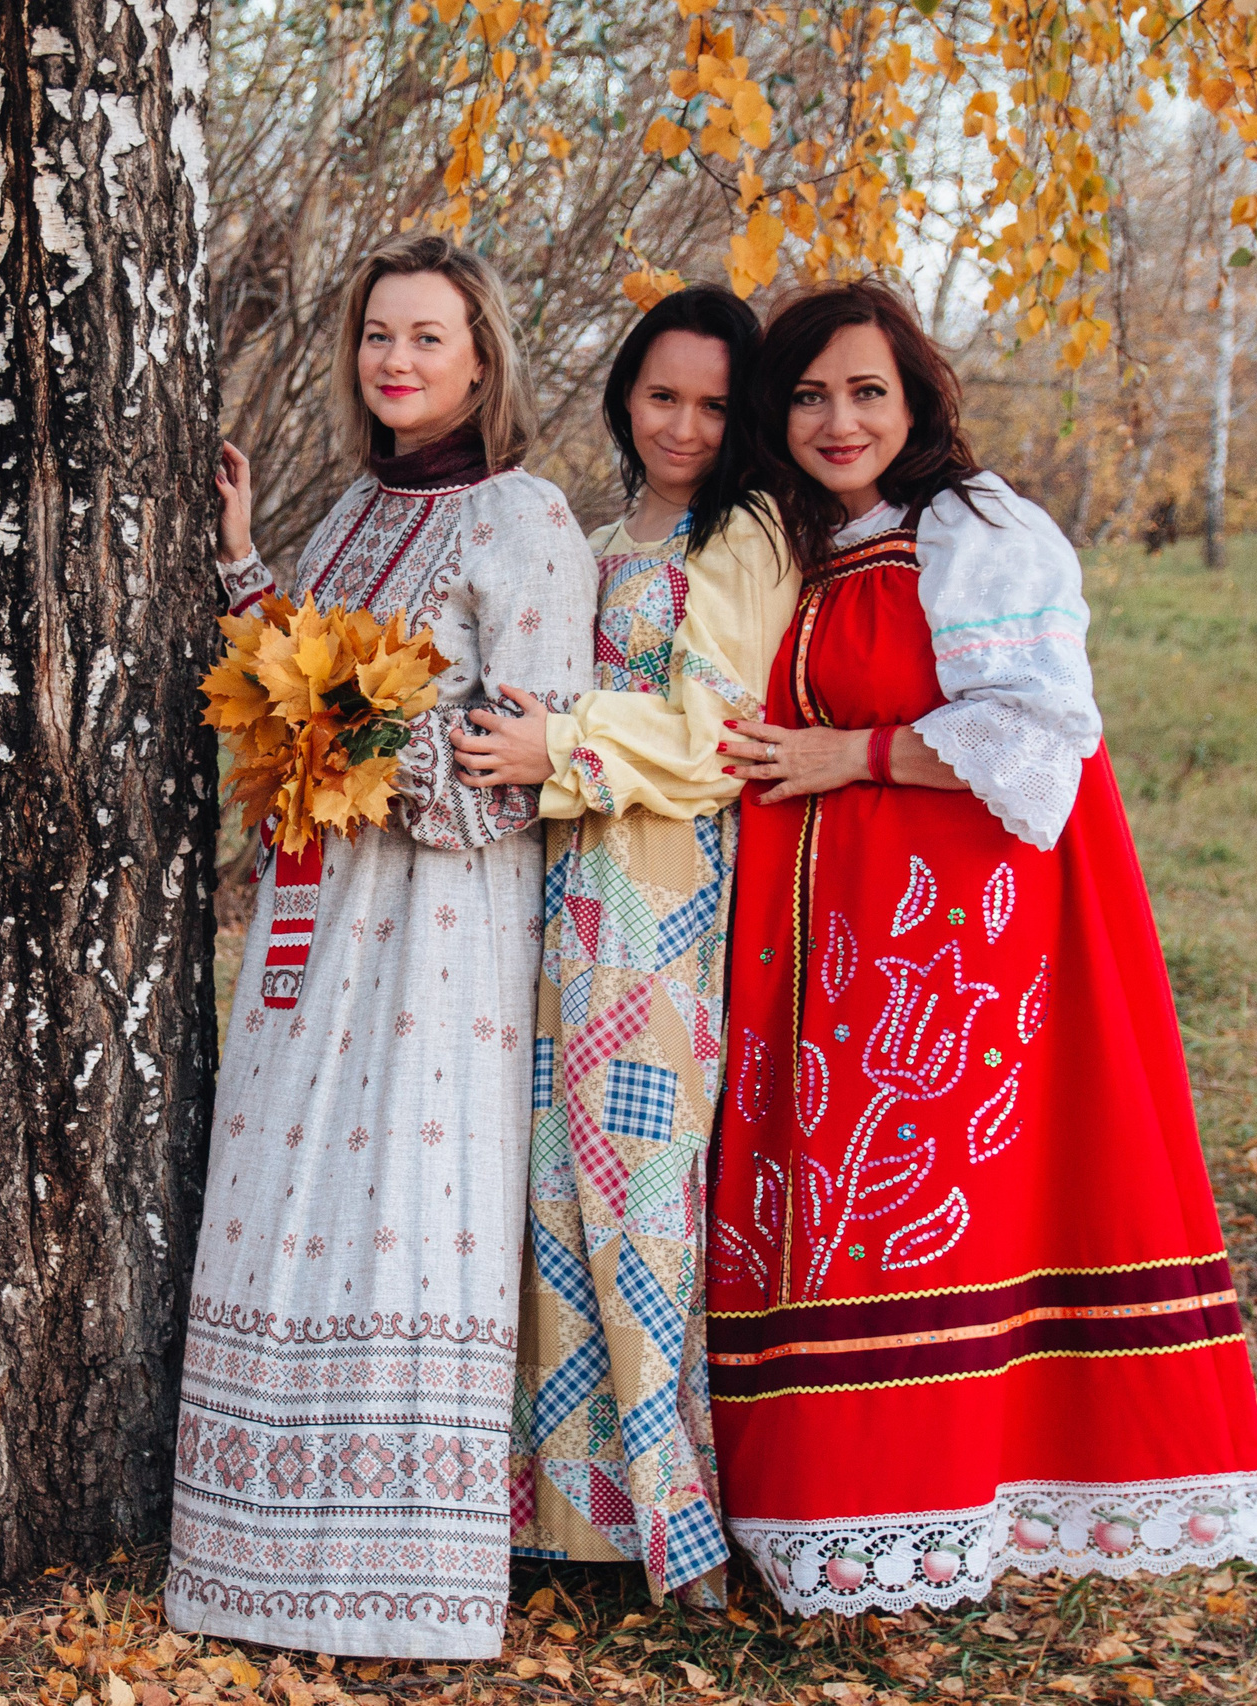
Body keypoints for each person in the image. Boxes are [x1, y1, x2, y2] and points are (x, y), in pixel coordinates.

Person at [706, 279, 1257, 1614]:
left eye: (865, 392)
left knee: (929, 1211)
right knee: (822, 1199)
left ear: (917, 401)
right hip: (828, 936)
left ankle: (943, 1498)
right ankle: (809, 1512)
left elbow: (1038, 741)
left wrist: (858, 752)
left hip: (958, 932)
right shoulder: (809, 541)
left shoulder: (976, 526)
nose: (838, 420)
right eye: (806, 394)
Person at [165, 235, 596, 1660]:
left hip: (442, 933)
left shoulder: (524, 517)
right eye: (376, 337)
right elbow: (303, 669)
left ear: (483, 356)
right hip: (319, 905)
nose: (396, 360)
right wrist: (243, 571)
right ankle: (252, 1543)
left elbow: (522, 756)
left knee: (407, 1190)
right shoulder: (355, 510)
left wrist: (356, 736)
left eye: (427, 336)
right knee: (288, 1172)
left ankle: (396, 1570)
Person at [448, 283, 795, 1604]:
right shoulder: (602, 532)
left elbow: (714, 734)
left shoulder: (746, 531)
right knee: (556, 1186)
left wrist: (562, 742)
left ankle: (681, 1535)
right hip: (568, 886)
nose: (687, 426)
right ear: (626, 398)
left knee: (641, 1192)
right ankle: (579, 1521)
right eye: (664, 397)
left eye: (715, 403)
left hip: (665, 896)